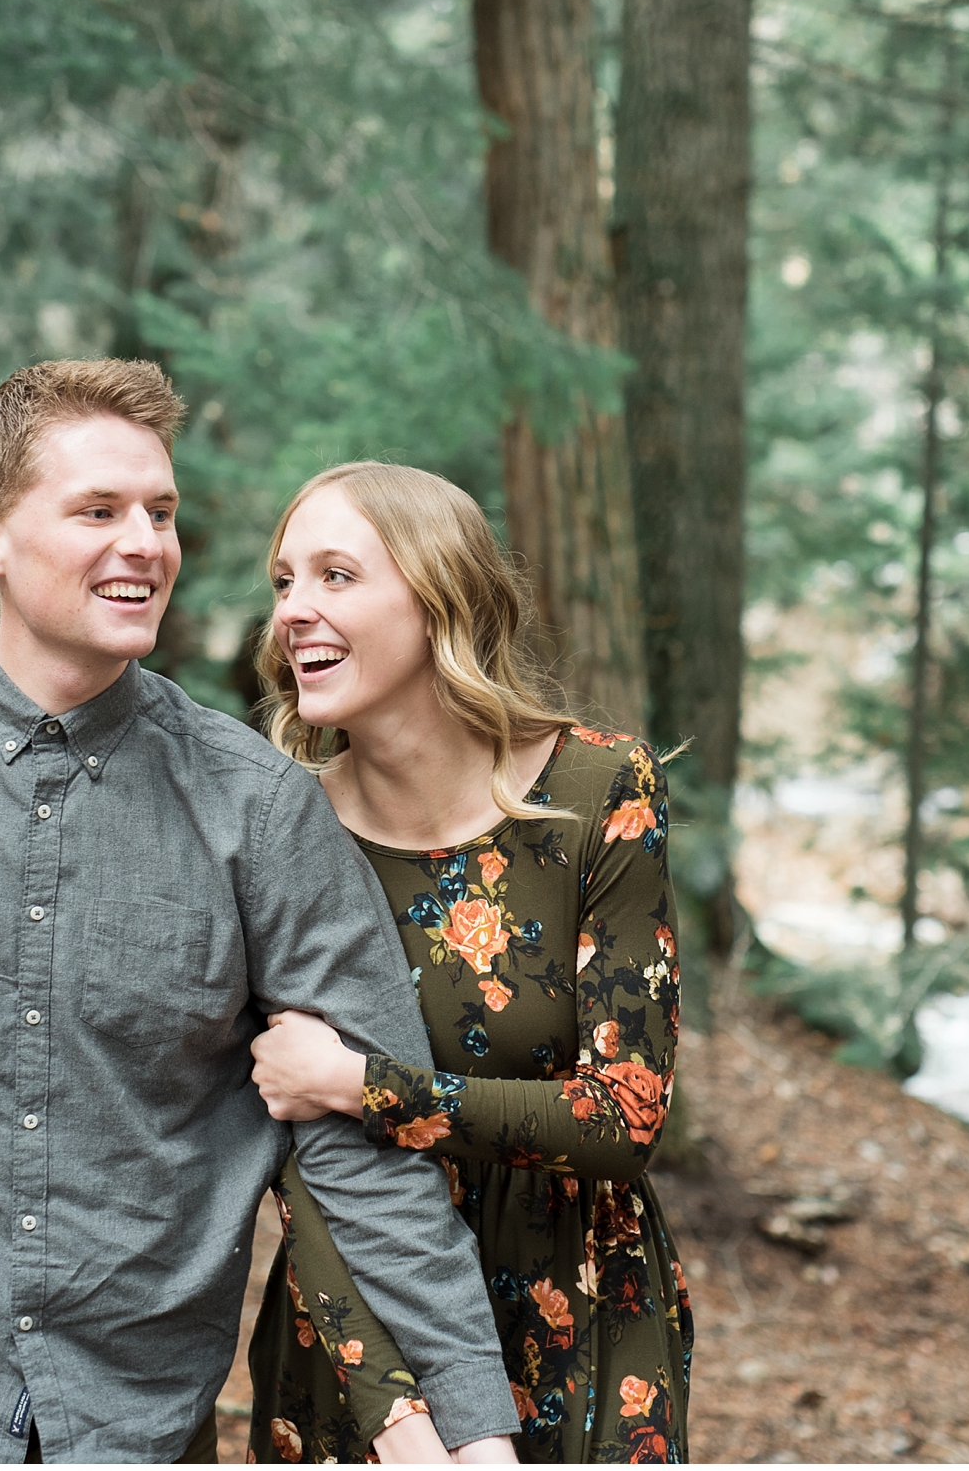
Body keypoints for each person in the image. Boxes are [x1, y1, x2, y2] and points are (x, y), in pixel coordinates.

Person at [0, 364, 522, 1464]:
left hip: (140, 1422)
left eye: (161, 511)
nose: (144, 541)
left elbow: (360, 1150)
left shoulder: (263, 809)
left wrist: (474, 1431)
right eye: (98, 510)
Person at [243, 462, 692, 1465]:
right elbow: (295, 1146)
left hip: (582, 1308)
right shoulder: (279, 825)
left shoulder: (599, 787)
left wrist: (364, 1087)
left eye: (335, 576)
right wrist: (398, 1416)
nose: (293, 612)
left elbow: (625, 1116)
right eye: (283, 582)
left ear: (439, 597)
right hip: (357, 1320)